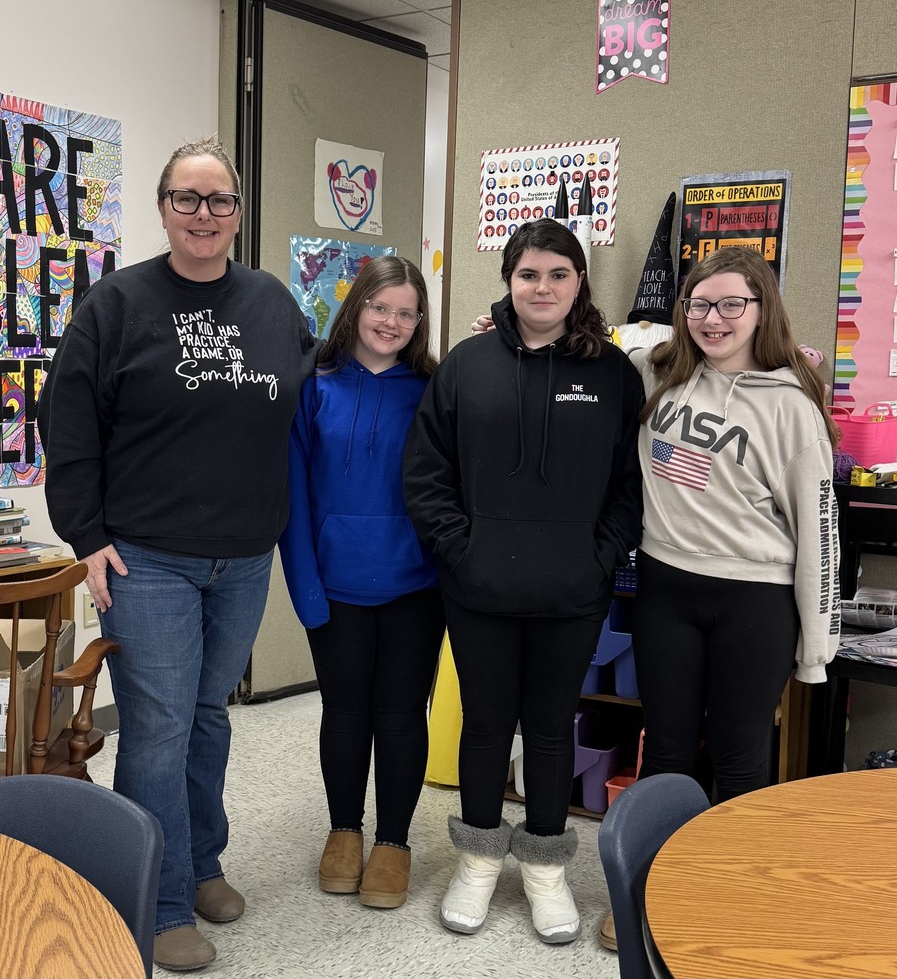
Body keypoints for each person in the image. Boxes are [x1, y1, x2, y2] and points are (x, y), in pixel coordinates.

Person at [37, 137, 318, 973]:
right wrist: (86, 537)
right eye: (187, 199)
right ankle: (155, 901)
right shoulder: (116, 304)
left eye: (220, 200)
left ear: (238, 211)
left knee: (205, 717)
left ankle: (201, 864)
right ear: (163, 207)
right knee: (156, 729)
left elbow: (318, 388)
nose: (205, 215)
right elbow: (67, 424)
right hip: (145, 558)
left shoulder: (272, 302)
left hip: (241, 556)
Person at [403, 219, 643, 945]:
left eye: (558, 275)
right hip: (477, 589)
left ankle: (543, 867)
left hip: (571, 591)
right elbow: (425, 474)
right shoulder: (466, 365)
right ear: (508, 281)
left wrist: (598, 556)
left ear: (579, 284)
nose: (543, 288)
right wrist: (460, 552)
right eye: (529, 274)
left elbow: (629, 488)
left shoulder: (611, 374)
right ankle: (477, 857)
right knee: (482, 728)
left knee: (546, 730)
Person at [599, 247, 840, 953]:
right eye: (700, 304)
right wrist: (511, 329)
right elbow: (608, 341)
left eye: (732, 304)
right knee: (667, 750)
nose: (713, 319)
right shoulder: (658, 371)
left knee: (740, 757)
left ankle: (720, 893)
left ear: (761, 310)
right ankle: (645, 891)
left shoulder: (791, 404)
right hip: (666, 588)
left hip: (754, 599)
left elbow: (818, 530)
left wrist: (816, 648)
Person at [278, 256, 445, 912]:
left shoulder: (434, 389)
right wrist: (306, 591)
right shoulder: (313, 385)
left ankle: (394, 843)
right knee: (345, 714)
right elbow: (292, 494)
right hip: (334, 587)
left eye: (407, 313)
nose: (393, 323)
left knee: (401, 716)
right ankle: (344, 831)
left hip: (417, 588)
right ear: (355, 308)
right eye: (381, 308)